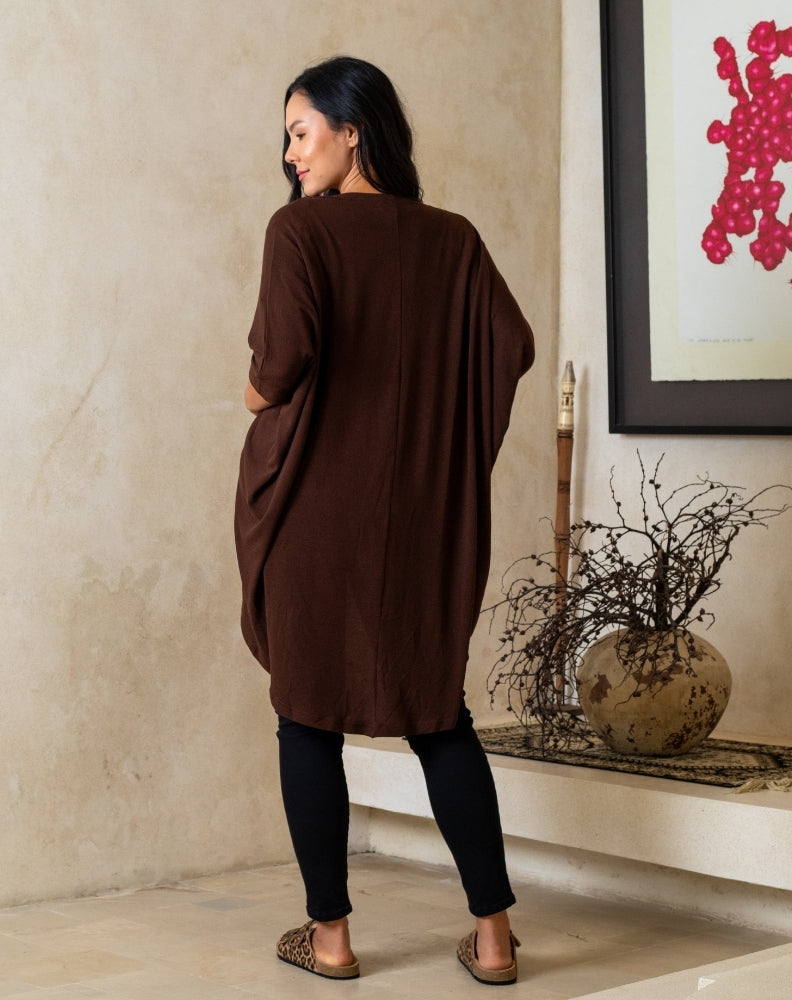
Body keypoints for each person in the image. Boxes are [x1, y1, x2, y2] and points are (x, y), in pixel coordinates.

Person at [234, 56, 535, 986]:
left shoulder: (300, 231)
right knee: (438, 716)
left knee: (305, 719)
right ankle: (494, 937)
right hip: (420, 524)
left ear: (352, 129)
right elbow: (512, 346)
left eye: (301, 131)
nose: (291, 153)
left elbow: (280, 362)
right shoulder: (455, 240)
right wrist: (448, 456)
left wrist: (253, 394)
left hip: (317, 517)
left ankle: (330, 939)